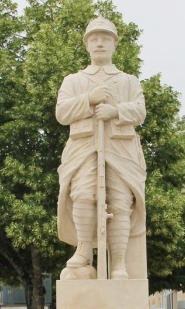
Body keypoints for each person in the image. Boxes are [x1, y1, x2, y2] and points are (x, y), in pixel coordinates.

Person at [56, 17, 147, 280]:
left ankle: (118, 263)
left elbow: (139, 111)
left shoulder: (129, 81)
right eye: (94, 39)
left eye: (105, 39)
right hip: (84, 148)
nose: (99, 43)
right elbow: (62, 112)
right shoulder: (73, 80)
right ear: (86, 44)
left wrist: (115, 111)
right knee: (82, 194)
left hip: (121, 150)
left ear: (114, 44)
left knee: (120, 203)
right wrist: (89, 99)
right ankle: (84, 250)